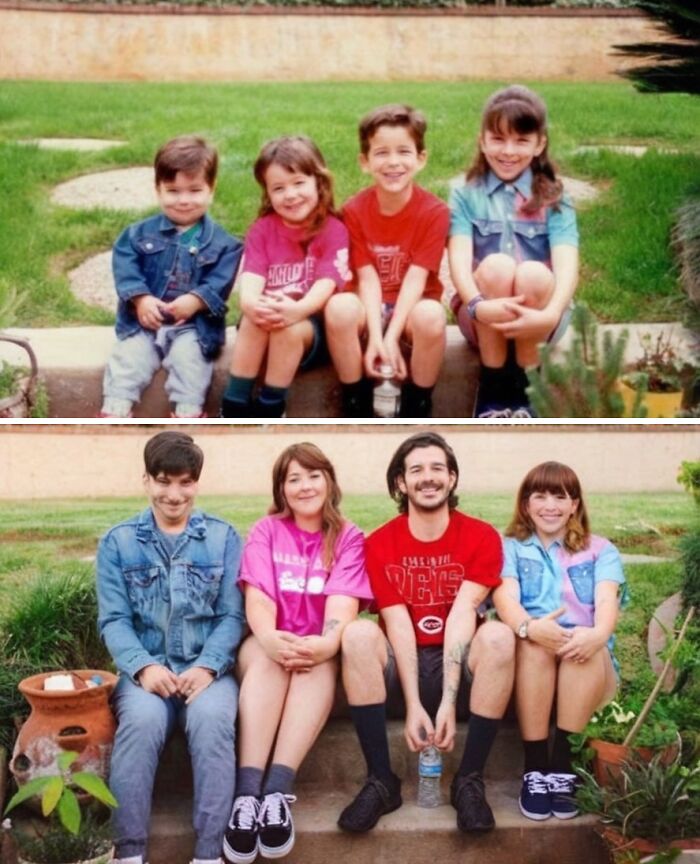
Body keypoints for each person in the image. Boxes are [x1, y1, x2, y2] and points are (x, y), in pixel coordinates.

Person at [337, 432, 515, 835]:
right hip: (401, 669)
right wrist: (415, 704)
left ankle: (469, 780)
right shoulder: (380, 543)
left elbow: (462, 615)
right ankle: (381, 781)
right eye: (416, 470)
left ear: (452, 478)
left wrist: (448, 702)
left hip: (461, 667)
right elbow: (397, 623)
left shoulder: (481, 536)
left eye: (438, 468)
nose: (428, 477)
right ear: (401, 483)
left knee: (499, 637)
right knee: (358, 635)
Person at [97, 431, 244, 864]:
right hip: (145, 671)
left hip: (207, 670)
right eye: (163, 481)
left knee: (213, 722)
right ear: (146, 480)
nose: (174, 495)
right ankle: (128, 852)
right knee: (141, 723)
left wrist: (209, 667)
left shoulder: (223, 538)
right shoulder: (119, 542)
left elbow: (232, 616)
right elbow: (114, 620)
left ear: (197, 483)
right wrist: (143, 668)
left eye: (185, 482)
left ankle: (208, 854)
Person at [223, 443, 371, 864]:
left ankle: (275, 794)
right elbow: (259, 598)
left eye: (313, 475)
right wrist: (271, 638)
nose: (305, 486)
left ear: (329, 481)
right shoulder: (267, 530)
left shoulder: (348, 536)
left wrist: (326, 643)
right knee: (270, 661)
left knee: (314, 666)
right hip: (265, 642)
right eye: (294, 478)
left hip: (317, 647)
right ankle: (246, 796)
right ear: (281, 489)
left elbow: (341, 607)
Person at [492, 461, 625, 821]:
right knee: (534, 644)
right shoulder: (511, 548)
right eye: (540, 496)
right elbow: (505, 598)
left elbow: (607, 601)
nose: (550, 506)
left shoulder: (601, 550)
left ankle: (563, 767)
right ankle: (536, 769)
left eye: (560, 496)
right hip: (532, 653)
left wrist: (597, 635)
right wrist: (529, 627)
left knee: (581, 645)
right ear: (525, 504)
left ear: (574, 505)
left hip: (589, 661)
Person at [448, 85, 579, 418]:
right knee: (497, 267)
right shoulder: (466, 195)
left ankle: (527, 389)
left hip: (542, 319)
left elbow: (567, 266)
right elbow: (458, 262)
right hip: (481, 317)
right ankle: (491, 388)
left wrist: (550, 314)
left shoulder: (555, 197)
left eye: (521, 140)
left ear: (539, 144)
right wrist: (477, 306)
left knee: (532, 273)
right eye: (498, 139)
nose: (508, 151)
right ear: (482, 141)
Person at [100, 136, 243, 418]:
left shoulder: (226, 245)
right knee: (128, 358)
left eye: (194, 190)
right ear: (158, 189)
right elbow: (126, 268)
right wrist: (140, 299)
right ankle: (115, 409)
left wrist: (195, 300)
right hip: (145, 322)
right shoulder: (136, 234)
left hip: (194, 327)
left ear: (211, 189)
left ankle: (188, 412)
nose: (184, 200)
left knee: (190, 361)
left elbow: (219, 282)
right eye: (173, 191)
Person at [324, 104, 449, 418]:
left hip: (412, 306)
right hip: (368, 305)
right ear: (365, 162)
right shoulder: (353, 211)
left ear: (421, 158)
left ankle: (419, 402)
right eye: (381, 153)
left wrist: (392, 337)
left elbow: (417, 279)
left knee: (432, 315)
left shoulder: (435, 212)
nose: (393, 162)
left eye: (403, 151)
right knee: (339, 308)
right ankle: (355, 399)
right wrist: (376, 340)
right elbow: (367, 279)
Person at [221, 136, 350, 419]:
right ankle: (233, 404)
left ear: (319, 182)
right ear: (268, 193)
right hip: (269, 316)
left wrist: (298, 310)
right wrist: (251, 304)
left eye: (299, 183)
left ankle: (271, 406)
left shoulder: (333, 230)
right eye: (278, 188)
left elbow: (326, 284)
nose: (290, 195)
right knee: (253, 319)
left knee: (286, 330)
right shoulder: (262, 229)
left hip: (311, 325)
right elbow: (252, 276)